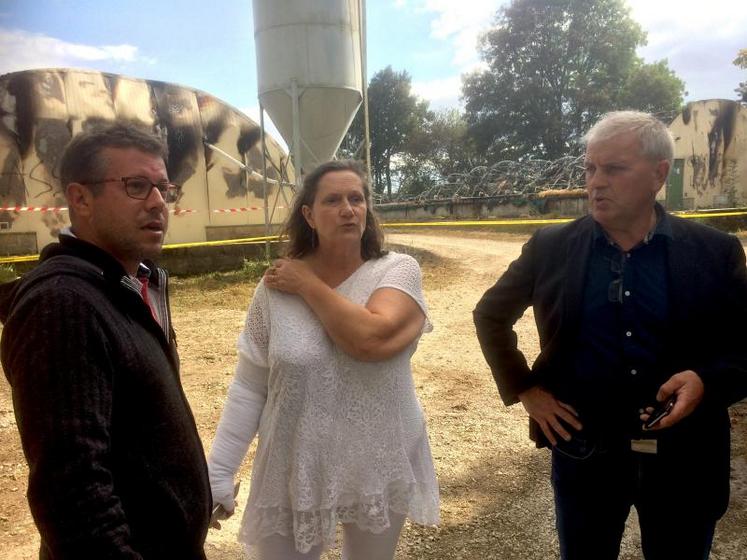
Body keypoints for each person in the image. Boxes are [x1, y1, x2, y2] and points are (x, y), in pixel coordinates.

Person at [473, 111, 747, 560]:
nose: (595, 182)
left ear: (659, 174)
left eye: (614, 169)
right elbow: (490, 315)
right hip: (585, 454)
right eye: (590, 168)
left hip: (686, 459)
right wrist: (525, 389)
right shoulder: (551, 247)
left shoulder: (713, 251)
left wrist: (707, 382)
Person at [208, 159, 439, 559]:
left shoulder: (398, 271)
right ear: (309, 215)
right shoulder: (274, 291)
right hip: (295, 461)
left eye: (357, 198)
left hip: (378, 458)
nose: (348, 209)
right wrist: (219, 471)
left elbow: (369, 338)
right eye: (332, 200)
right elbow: (250, 387)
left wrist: (307, 284)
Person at [0, 122, 211, 559]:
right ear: (80, 199)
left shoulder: (138, 281)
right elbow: (73, 494)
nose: (158, 203)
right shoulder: (64, 305)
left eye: (163, 188)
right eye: (137, 186)